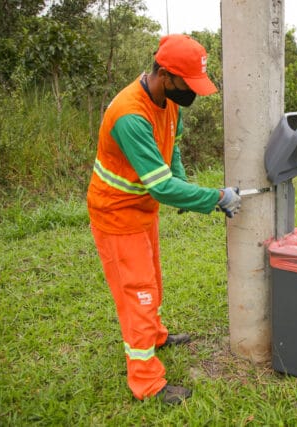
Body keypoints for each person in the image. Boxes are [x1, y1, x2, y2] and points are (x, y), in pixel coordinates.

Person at [87, 34, 241, 405]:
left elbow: (171, 151)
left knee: (152, 279)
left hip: (142, 209)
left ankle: (156, 335)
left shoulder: (170, 102)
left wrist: (184, 187)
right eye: (187, 85)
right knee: (137, 292)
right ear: (164, 73)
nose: (192, 93)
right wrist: (214, 198)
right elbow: (159, 185)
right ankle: (147, 383)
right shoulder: (130, 116)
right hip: (116, 213)